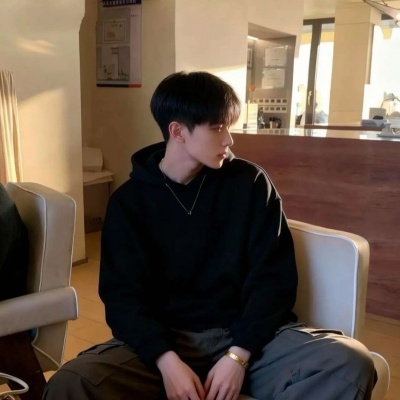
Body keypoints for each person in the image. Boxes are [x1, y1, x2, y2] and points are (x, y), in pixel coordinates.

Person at [43, 71, 376, 400]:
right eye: (217, 128)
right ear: (178, 131)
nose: (229, 140)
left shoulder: (250, 184)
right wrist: (166, 362)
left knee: (349, 363)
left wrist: (238, 356)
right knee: (70, 383)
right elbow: (122, 299)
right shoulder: (128, 203)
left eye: (228, 127)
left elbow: (273, 280)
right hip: (163, 346)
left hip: (248, 342)